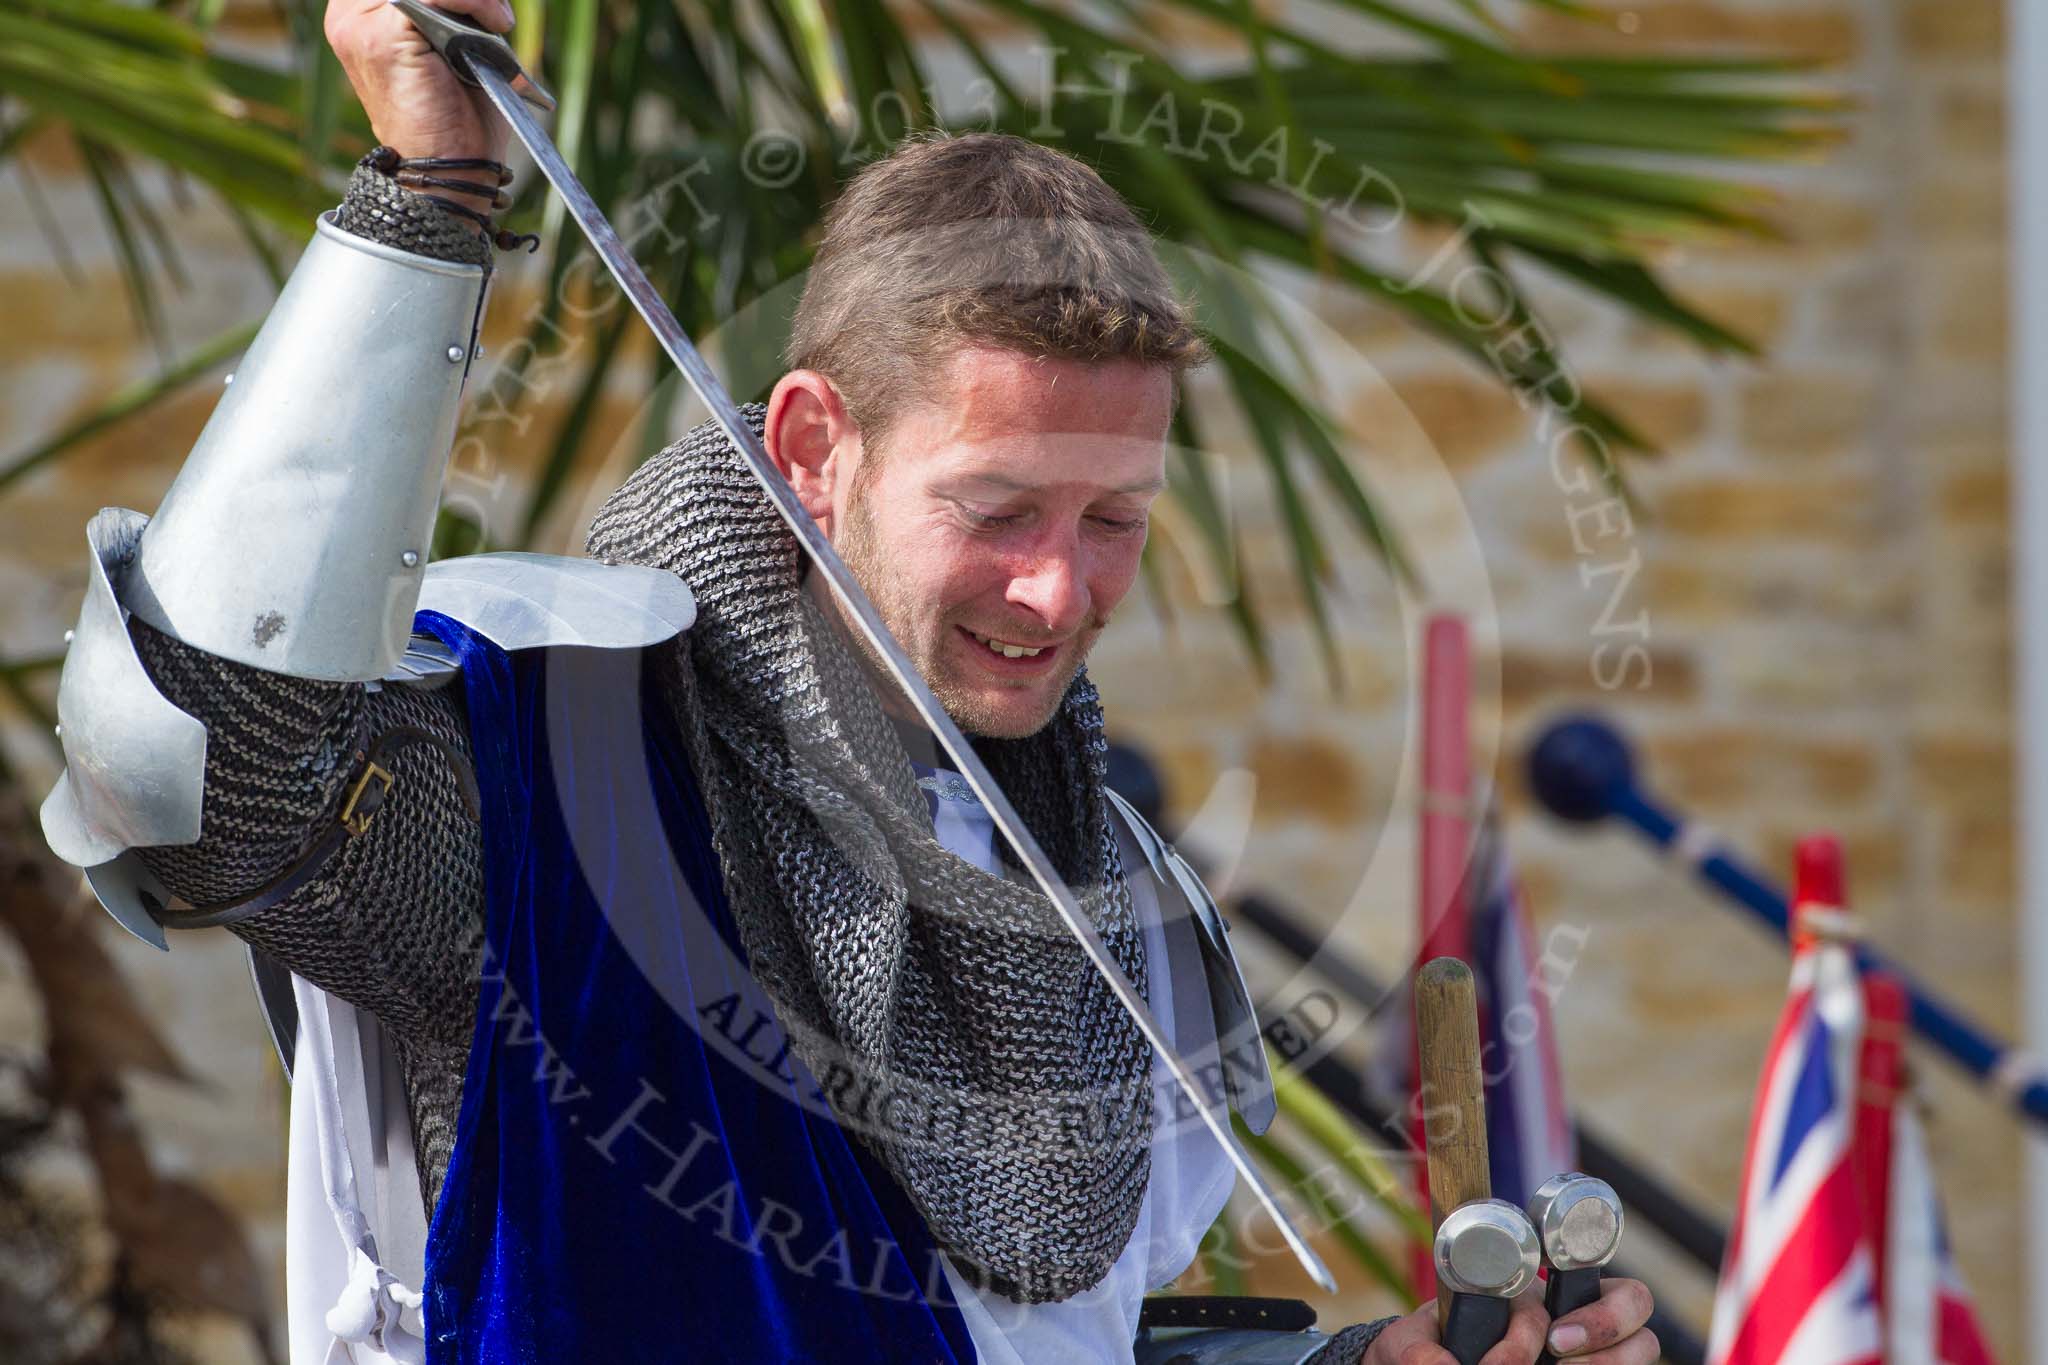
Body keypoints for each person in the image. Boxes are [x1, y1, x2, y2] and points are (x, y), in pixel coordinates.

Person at [37, 1, 1663, 1361]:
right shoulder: (543, 772)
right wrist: (429, 191)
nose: (1059, 587)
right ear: (814, 445)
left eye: (1114, 520)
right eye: (998, 508)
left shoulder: (1118, 892)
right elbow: (194, 771)